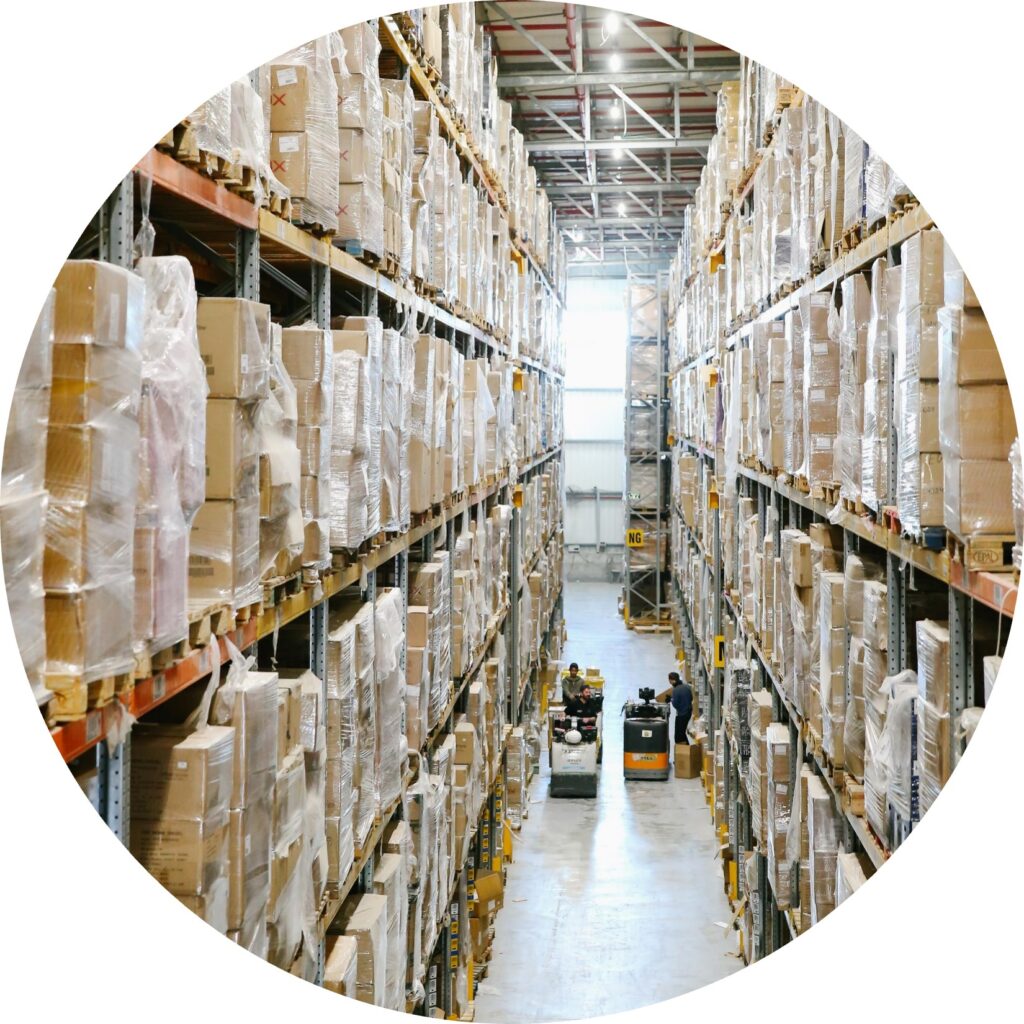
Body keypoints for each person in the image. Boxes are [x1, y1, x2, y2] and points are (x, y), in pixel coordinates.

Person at [667, 671, 693, 744]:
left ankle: (684, 751)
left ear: (671, 680)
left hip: (682, 714)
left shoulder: (675, 690)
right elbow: (691, 698)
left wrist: (671, 699)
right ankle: (686, 750)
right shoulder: (686, 686)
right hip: (688, 712)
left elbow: (675, 704)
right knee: (682, 732)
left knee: (678, 736)